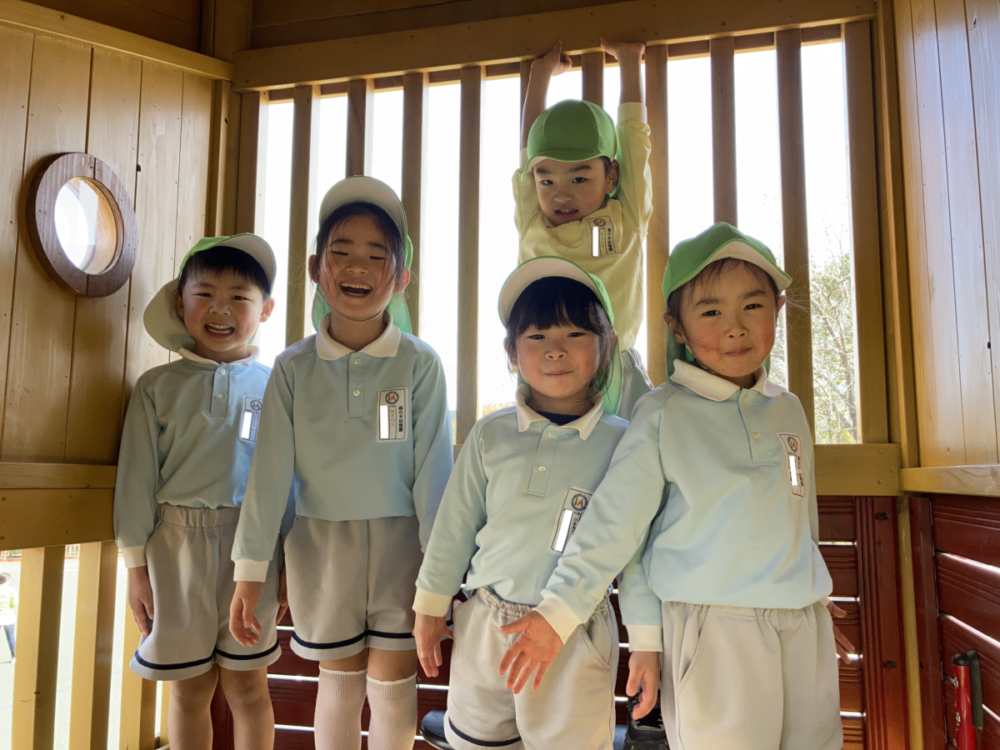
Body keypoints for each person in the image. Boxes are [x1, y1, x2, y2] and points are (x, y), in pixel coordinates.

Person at [497, 223, 855, 750]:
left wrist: (811, 593)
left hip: (803, 629)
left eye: (752, 306)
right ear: (677, 328)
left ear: (777, 311)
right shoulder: (662, 412)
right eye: (711, 312)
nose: (734, 328)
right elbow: (618, 528)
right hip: (716, 632)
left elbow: (796, 511)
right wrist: (561, 615)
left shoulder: (789, 408)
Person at [230, 176, 454, 750]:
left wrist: (441, 574)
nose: (357, 266)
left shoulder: (421, 364)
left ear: (400, 278)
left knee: (394, 682)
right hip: (318, 548)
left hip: (404, 546)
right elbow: (269, 476)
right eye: (342, 252)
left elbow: (434, 476)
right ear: (315, 268)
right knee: (339, 679)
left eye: (377, 255)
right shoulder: (292, 367)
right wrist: (252, 572)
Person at [413, 257, 628, 750]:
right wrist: (429, 607)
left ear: (607, 343)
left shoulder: (625, 443)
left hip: (576, 633)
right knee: (478, 742)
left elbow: (635, 547)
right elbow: (454, 527)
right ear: (511, 350)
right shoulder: (491, 434)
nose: (555, 350)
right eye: (536, 337)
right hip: (487, 624)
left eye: (575, 334)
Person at [114, 234, 284, 750]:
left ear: (266, 309)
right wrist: (136, 569)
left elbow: (288, 483)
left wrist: (286, 564)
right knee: (189, 689)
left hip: (250, 551)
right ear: (179, 303)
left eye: (239, 297)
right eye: (205, 293)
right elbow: (136, 480)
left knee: (249, 686)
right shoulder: (156, 387)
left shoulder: (277, 386)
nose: (220, 309)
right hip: (174, 547)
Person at [517, 38, 653, 420]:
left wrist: (629, 61)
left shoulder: (626, 213)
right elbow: (529, 152)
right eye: (548, 182)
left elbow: (633, 140)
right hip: (547, 363)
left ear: (611, 175)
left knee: (636, 461)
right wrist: (539, 76)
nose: (561, 194)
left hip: (615, 370)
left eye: (579, 179)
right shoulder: (533, 221)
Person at [0, 572, 16, 663]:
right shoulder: (11, 590)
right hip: (8, 617)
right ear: (7, 581)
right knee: (10, 637)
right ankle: (13, 657)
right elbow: (14, 603)